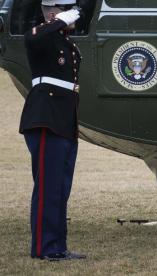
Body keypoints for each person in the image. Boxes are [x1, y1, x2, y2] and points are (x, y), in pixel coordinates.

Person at [19, 0, 85, 261]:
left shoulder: (64, 42)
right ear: (56, 11)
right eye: (71, 10)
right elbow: (32, 38)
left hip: (64, 119)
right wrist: (57, 21)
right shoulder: (42, 36)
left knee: (59, 188)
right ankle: (44, 248)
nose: (75, 15)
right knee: (48, 187)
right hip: (45, 117)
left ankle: (57, 246)